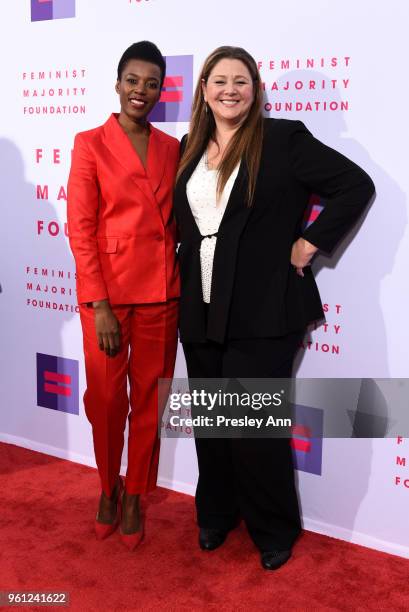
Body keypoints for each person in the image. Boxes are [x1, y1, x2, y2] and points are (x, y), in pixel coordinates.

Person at [174, 46, 374, 570]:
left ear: (255, 90)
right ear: (203, 90)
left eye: (241, 80)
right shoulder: (188, 148)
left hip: (264, 310)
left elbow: (356, 185)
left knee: (254, 427)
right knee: (212, 423)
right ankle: (217, 513)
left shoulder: (283, 139)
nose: (229, 90)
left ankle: (273, 527)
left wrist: (308, 243)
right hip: (201, 306)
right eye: (219, 80)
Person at [67, 41, 180, 550]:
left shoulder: (172, 149)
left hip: (160, 291)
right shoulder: (89, 143)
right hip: (108, 297)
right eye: (133, 80)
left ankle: (135, 494)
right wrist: (99, 304)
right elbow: (81, 227)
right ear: (117, 83)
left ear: (161, 90)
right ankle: (106, 488)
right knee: (108, 400)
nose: (142, 90)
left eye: (152, 83)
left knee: (151, 401)